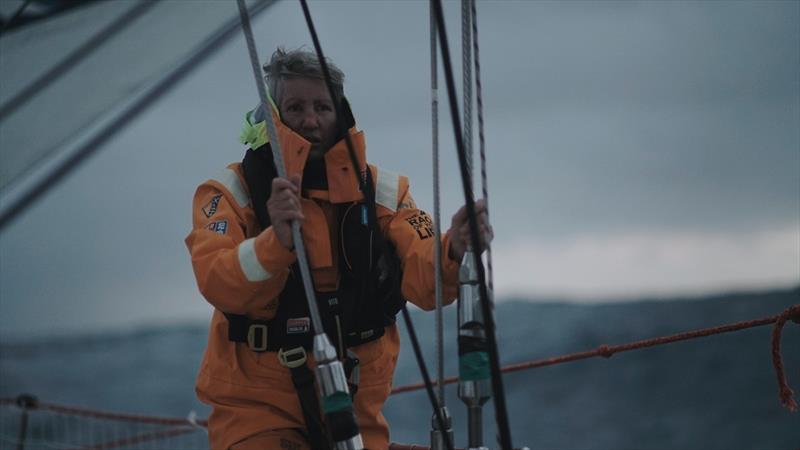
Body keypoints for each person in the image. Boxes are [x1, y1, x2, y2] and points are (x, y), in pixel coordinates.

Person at [185, 47, 492, 450]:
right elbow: (217, 277)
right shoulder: (229, 193)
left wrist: (456, 249)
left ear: (341, 112)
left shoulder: (385, 192)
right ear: (273, 113)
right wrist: (274, 241)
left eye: (322, 107)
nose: (311, 120)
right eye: (295, 107)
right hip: (257, 415)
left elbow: (425, 270)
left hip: (358, 414)